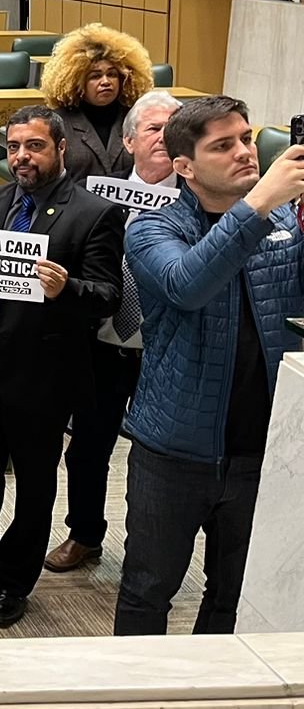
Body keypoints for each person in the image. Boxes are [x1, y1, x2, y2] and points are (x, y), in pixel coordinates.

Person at [113, 96, 304, 635]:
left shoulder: (286, 222)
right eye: (223, 145)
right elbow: (187, 285)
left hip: (264, 448)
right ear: (185, 166)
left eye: (246, 138)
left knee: (235, 593)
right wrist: (259, 202)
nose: (245, 152)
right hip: (173, 450)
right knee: (148, 590)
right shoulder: (152, 230)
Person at [0, 105, 125, 628]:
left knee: (34, 485)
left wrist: (67, 289)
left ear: (61, 148)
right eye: (13, 147)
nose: (21, 157)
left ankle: (15, 580)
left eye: (34, 146)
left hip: (44, 376)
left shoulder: (94, 213)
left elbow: (107, 295)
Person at [45, 90, 182, 577]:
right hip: (101, 344)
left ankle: (151, 548)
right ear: (129, 141)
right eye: (153, 129)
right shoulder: (94, 199)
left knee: (158, 458)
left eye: (173, 129)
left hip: (166, 349)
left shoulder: (198, 203)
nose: (163, 138)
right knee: (87, 447)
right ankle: (84, 535)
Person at [40, 23, 156, 181]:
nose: (106, 82)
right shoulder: (58, 122)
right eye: (95, 76)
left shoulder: (137, 118)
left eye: (112, 74)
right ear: (77, 82)